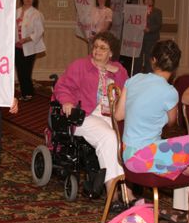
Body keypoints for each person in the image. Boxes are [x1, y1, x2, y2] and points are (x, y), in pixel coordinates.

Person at [115, 40, 189, 223]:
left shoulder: (134, 80)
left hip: (127, 155)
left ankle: (184, 170)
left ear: (153, 60)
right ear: (175, 67)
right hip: (146, 159)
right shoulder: (170, 92)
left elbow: (118, 114)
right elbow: (173, 122)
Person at [54, 31, 135, 210]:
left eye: (103, 48)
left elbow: (128, 92)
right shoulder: (80, 66)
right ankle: (114, 194)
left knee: (123, 141)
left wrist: (118, 73)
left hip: (111, 116)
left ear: (111, 53)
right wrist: (67, 101)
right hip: (85, 115)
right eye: (96, 46)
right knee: (108, 137)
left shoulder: (118, 70)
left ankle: (125, 191)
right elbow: (63, 86)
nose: (97, 50)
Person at [15, 0, 45, 101]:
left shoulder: (36, 14)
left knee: (26, 71)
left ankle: (28, 93)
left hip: (29, 47)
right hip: (16, 46)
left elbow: (39, 31)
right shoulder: (16, 11)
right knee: (20, 70)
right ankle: (25, 92)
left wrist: (26, 39)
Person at [134, 0, 162, 74]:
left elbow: (159, 25)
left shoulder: (157, 11)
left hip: (151, 38)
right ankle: (137, 74)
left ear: (152, 1)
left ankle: (148, 74)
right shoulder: (139, 11)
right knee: (138, 58)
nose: (147, 1)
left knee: (148, 58)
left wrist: (149, 29)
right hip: (140, 38)